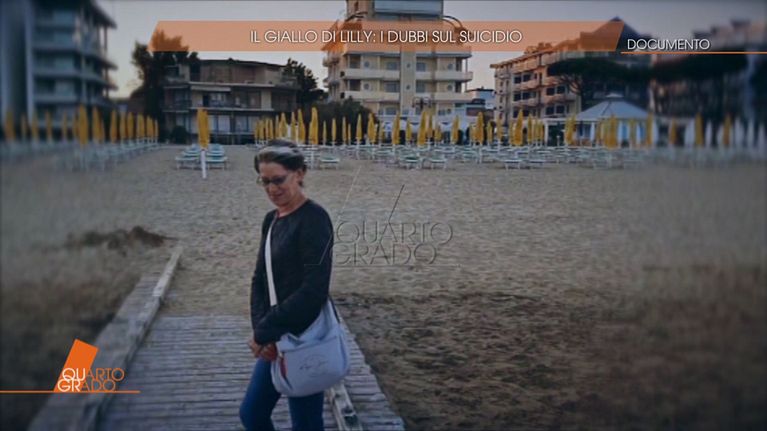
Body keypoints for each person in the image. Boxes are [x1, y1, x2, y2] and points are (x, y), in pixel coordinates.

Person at [239, 140, 334, 431]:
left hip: (303, 338)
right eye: (265, 181)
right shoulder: (271, 220)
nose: (272, 189)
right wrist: (262, 331)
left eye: (278, 180)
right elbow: (259, 279)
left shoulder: (314, 219)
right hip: (274, 337)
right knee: (252, 415)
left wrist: (266, 331)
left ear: (300, 173)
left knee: (305, 423)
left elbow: (314, 290)